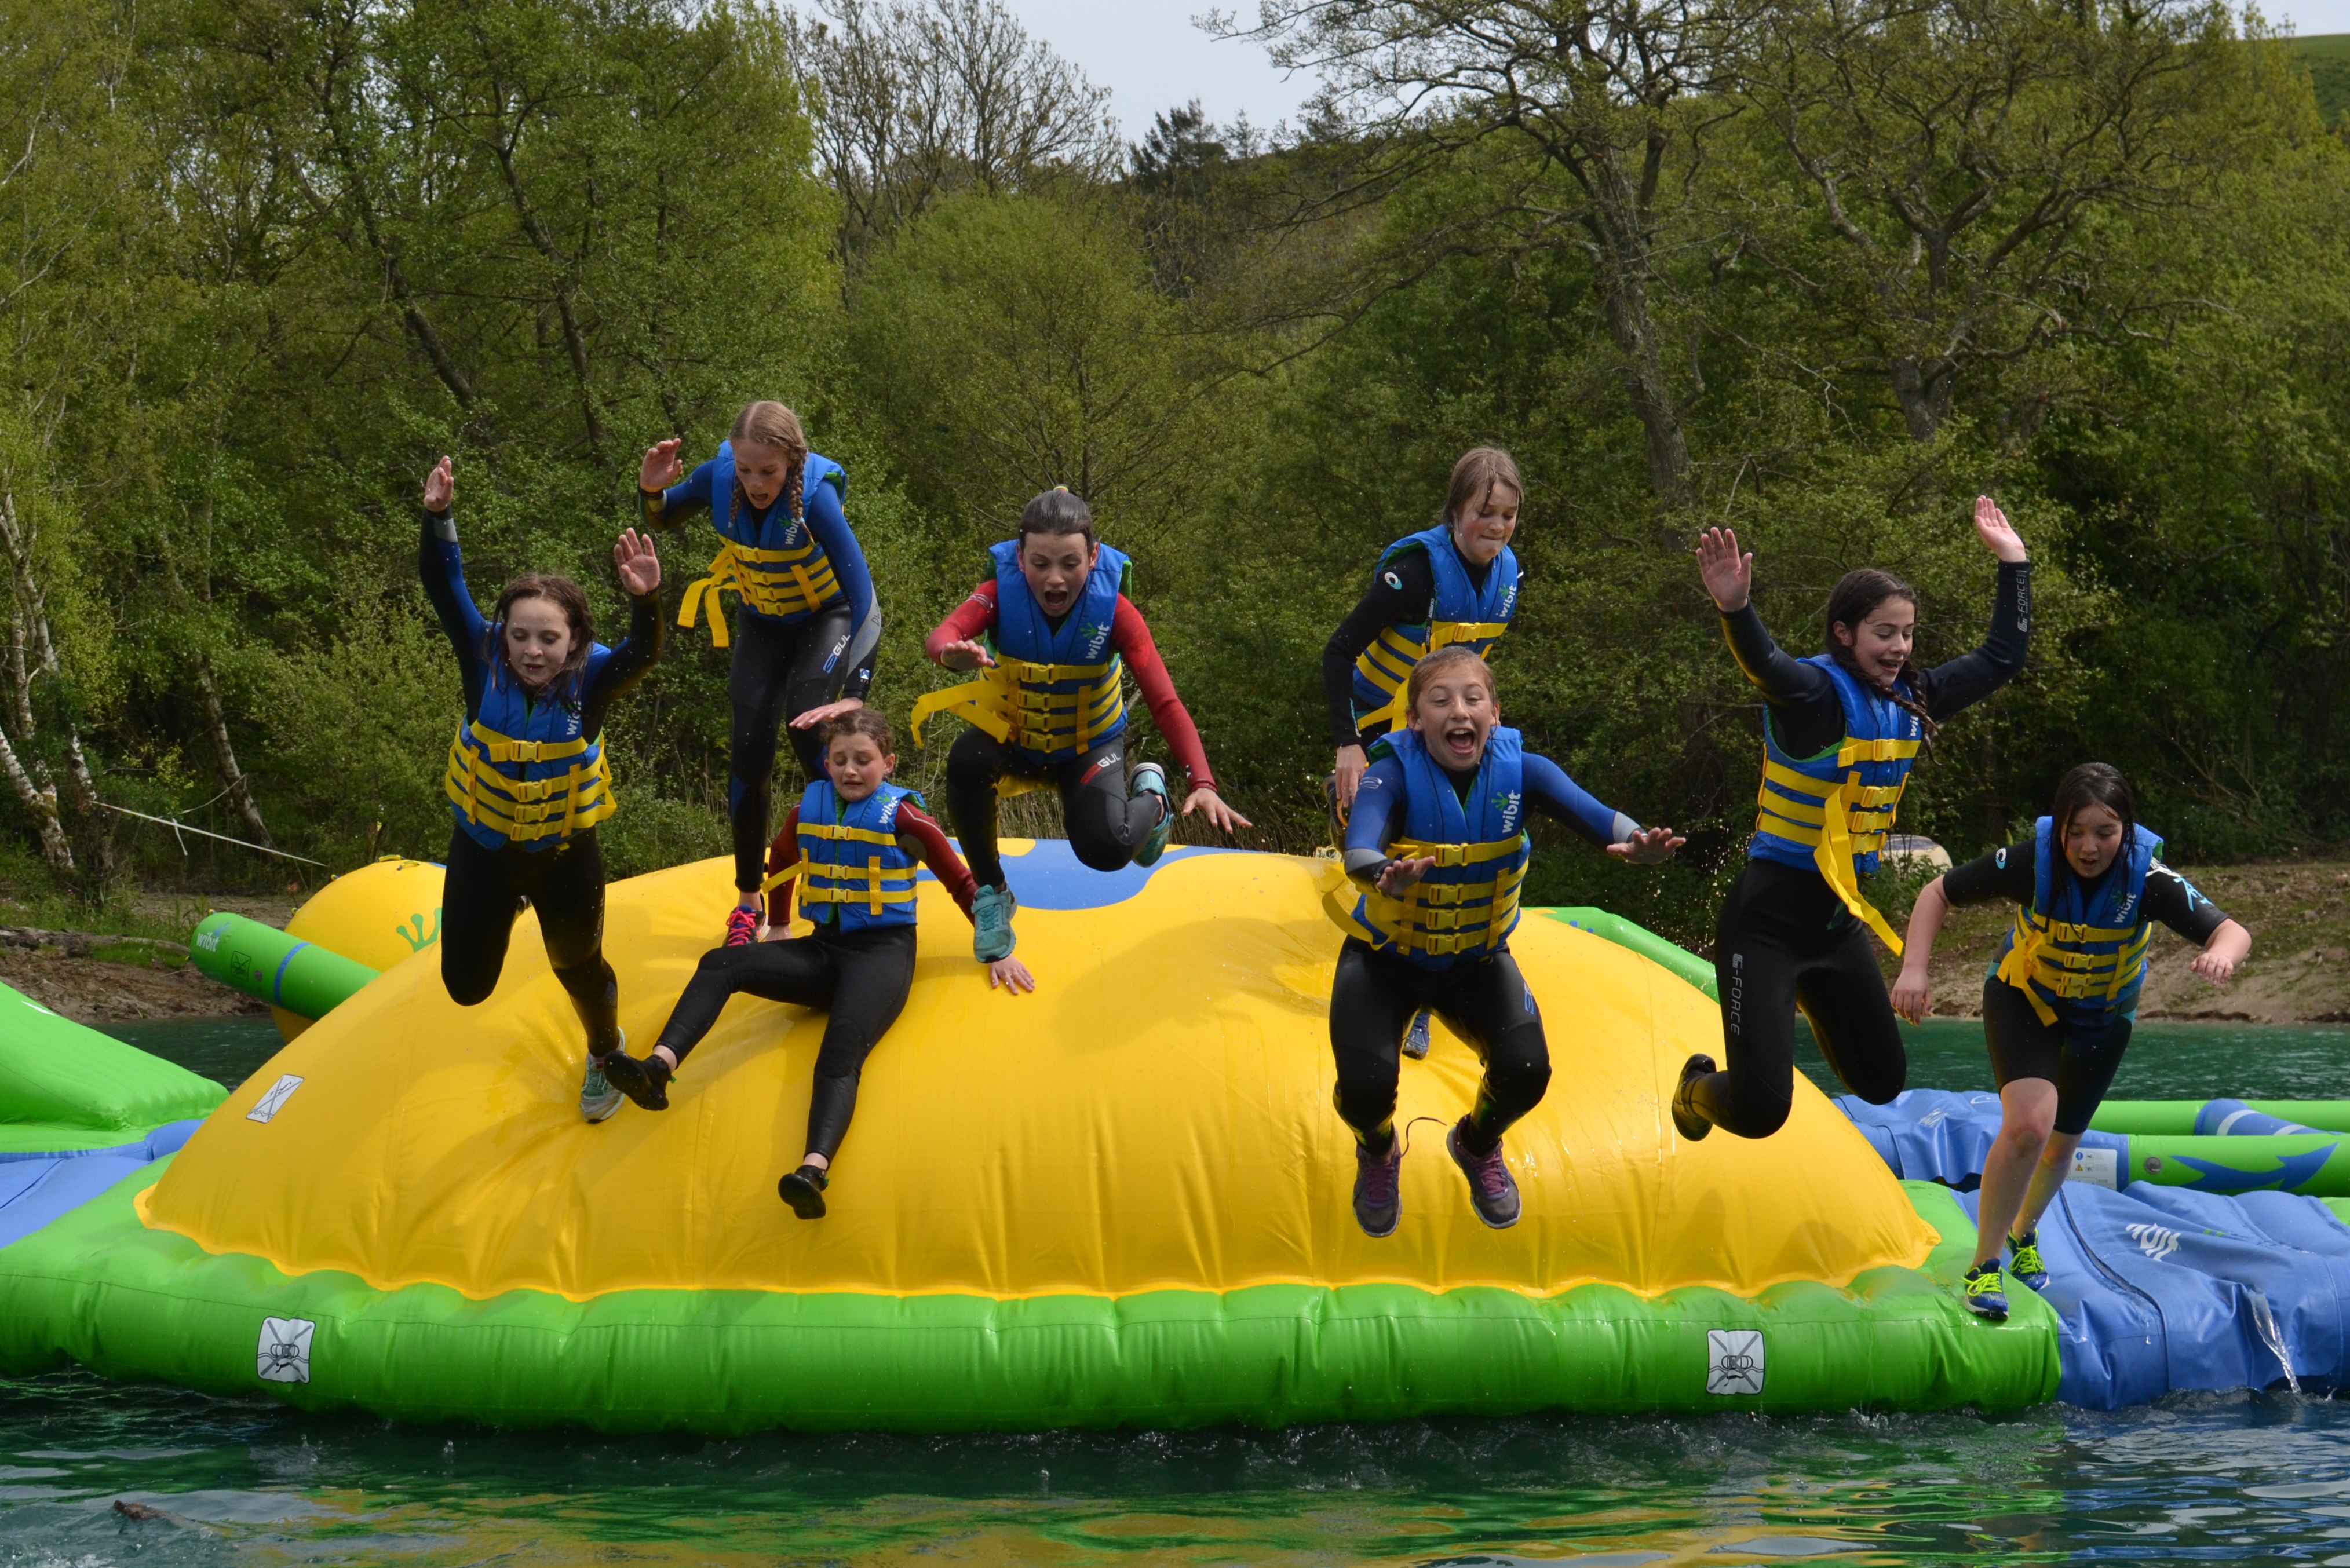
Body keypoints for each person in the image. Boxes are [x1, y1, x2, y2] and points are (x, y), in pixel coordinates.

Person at [1672, 497, 2031, 1145]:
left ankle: (1804, 1003)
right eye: (1884, 633)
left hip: (1836, 926)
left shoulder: (1915, 698)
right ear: (1844, 633)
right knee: (1759, 1113)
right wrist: (1735, 608)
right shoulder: (1813, 698)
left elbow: (2003, 656)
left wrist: (2015, 563)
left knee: (1883, 1080)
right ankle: (1695, 1089)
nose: (1900, 647)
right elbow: (1767, 667)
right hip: (1767, 926)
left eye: (1907, 633)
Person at [601, 710, 1035, 1217]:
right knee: (722, 963)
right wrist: (780, 923)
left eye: (864, 760)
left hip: (881, 958)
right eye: (841, 760)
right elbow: (782, 859)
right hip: (823, 950)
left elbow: (963, 882)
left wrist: (997, 948)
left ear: (888, 763)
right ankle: (658, 1069)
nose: (852, 770)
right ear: (827, 764)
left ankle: (812, 1169)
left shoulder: (904, 817)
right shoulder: (809, 808)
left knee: (838, 1056)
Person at [1330, 646, 1683, 1237]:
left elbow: (1599, 816)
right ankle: (1378, 1149)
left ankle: (1475, 1143)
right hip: (1385, 958)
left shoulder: (1524, 772)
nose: (1458, 711)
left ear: (1494, 712)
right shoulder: (1392, 769)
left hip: (1476, 958)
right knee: (1365, 1091)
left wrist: (1637, 840)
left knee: (1527, 1070)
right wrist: (1377, 872)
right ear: (1416, 720)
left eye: (1473, 698)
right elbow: (1361, 841)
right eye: (1440, 700)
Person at [1891, 763, 2250, 1320]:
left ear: (2126, 832)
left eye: (2104, 833)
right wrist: (1915, 969)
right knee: (2030, 1125)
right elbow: (1938, 893)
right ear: (2058, 829)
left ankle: (2024, 1232)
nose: (2089, 847)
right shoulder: (2031, 863)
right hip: (2024, 999)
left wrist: (2222, 954)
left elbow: (2232, 930)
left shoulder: (2148, 880)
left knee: (2062, 1144)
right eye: (2076, 831)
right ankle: (1985, 1266)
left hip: (2103, 1017)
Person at [910, 488, 1251, 964]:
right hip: (1018, 742)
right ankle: (991, 891)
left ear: (1093, 557)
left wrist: (1203, 780)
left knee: (1107, 849)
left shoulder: (1115, 612)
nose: (1054, 579)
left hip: (1088, 749)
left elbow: (1165, 701)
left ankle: (1152, 798)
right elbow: (943, 634)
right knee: (967, 758)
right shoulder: (998, 596)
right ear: (1019, 557)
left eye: (1070, 563)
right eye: (1041, 563)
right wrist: (949, 652)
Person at [421, 455, 662, 1123]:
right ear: (503, 636)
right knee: (466, 988)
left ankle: (604, 1053)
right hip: (483, 850)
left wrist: (647, 600)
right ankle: (505, 911)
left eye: (549, 638)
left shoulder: (595, 678)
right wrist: (438, 517)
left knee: (578, 967)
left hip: (562, 854)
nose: (533, 650)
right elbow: (445, 589)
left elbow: (645, 654)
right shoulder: (482, 657)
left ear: (576, 638)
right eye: (521, 636)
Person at [638, 401, 880, 946]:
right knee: (748, 745)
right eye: (746, 470)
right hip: (763, 623)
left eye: (768, 471)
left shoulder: (815, 498)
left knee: (806, 721)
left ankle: (857, 865)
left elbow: (865, 600)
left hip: (827, 617)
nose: (755, 483)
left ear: (792, 462)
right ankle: (750, 901)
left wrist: (857, 695)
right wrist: (651, 490)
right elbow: (661, 515)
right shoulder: (719, 479)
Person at [1322, 447, 1526, 1062]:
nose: (1495, 528)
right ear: (1455, 510)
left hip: (1442, 726)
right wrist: (1349, 746)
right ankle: (1404, 995)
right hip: (1378, 727)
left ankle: (1449, 982)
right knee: (1396, 831)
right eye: (1483, 513)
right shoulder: (1414, 575)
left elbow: (1471, 662)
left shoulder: (1507, 575)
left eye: (1508, 516)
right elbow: (1338, 652)